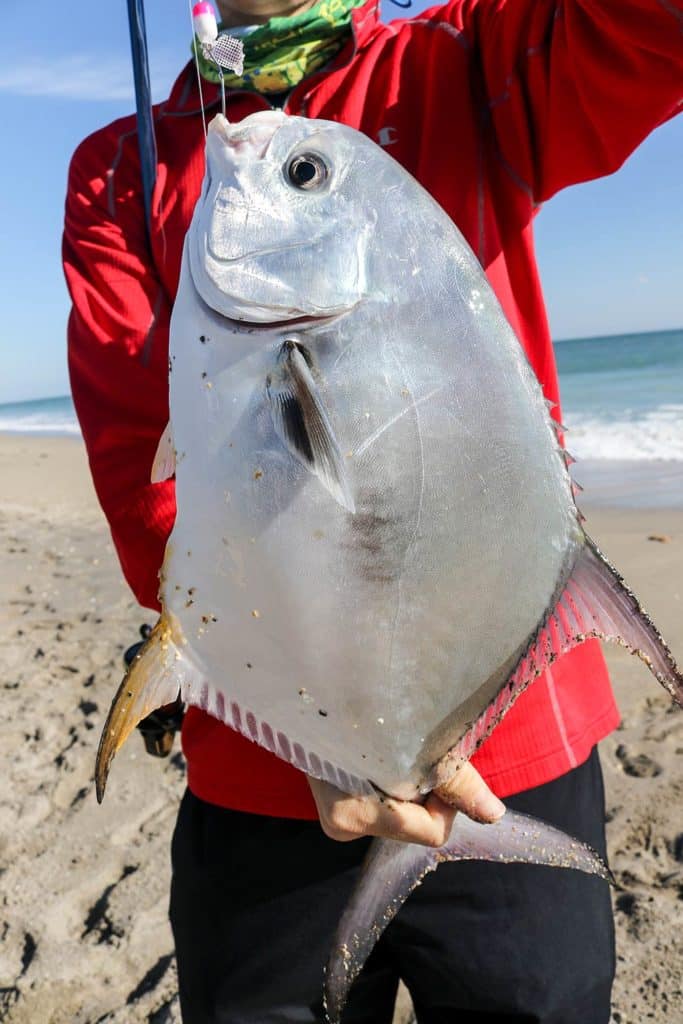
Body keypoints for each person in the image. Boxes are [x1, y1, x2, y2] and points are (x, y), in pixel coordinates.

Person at [63, 1, 682, 1020]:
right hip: (261, 767)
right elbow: (149, 471)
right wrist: (316, 716)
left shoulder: (465, 57)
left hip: (505, 745)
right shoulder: (121, 167)